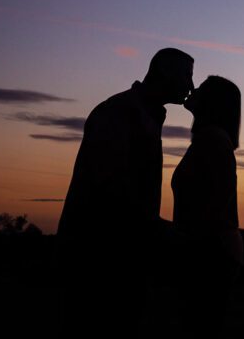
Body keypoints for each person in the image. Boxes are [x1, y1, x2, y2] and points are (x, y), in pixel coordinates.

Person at [57, 47, 194, 333]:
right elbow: (107, 189)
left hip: (121, 258)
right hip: (100, 263)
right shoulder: (122, 112)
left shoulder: (141, 113)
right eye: (187, 76)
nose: (191, 86)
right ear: (165, 73)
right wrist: (159, 231)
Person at [172, 75, 244, 336]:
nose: (193, 88)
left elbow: (213, 203)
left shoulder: (212, 140)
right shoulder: (210, 138)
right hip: (211, 251)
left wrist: (184, 241)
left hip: (210, 254)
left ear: (212, 102)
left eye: (201, 87)